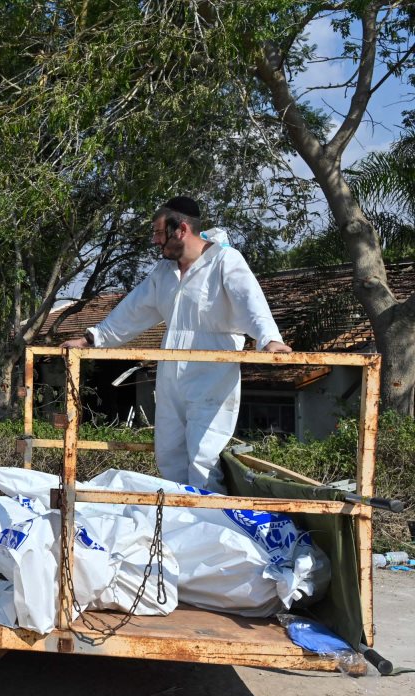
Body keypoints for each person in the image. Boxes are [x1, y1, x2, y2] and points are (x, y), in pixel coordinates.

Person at [62, 196, 292, 490]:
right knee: (169, 454)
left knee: (203, 457)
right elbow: (132, 311)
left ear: (181, 229)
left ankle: (209, 526)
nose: (156, 241)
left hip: (212, 370)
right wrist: (91, 338)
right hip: (171, 370)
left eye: (159, 233)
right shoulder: (164, 273)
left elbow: (251, 302)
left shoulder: (225, 261)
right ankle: (179, 524)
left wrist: (269, 339)